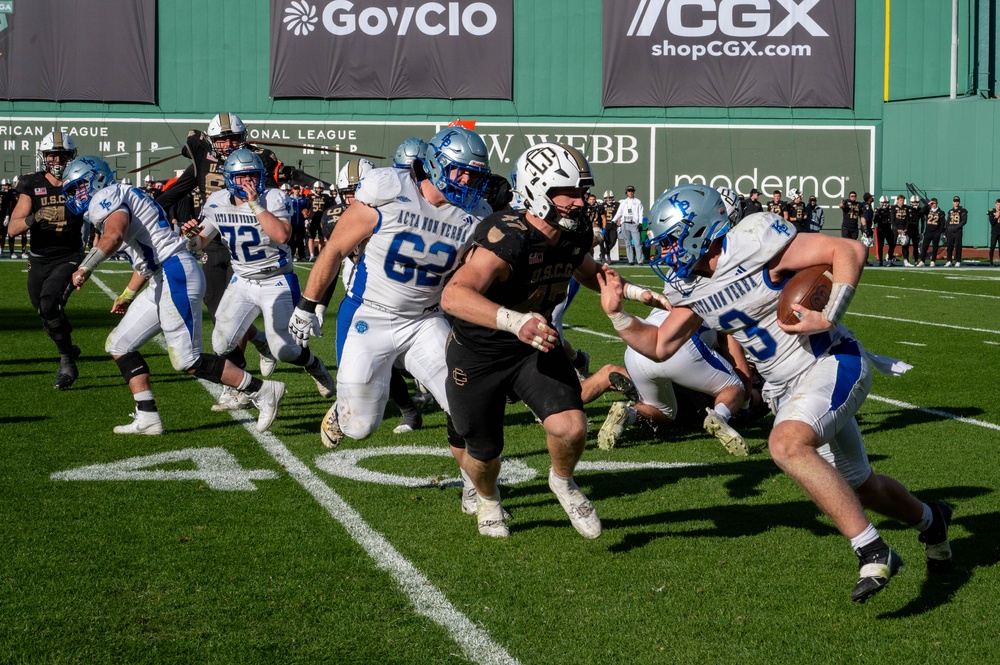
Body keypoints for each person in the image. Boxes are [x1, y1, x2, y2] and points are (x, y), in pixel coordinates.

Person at [598, 183, 953, 603]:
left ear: (701, 230)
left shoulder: (754, 243)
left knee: (785, 444)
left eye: (672, 242)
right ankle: (932, 522)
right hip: (787, 388)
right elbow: (659, 346)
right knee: (859, 486)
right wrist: (618, 315)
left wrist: (830, 313)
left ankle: (873, 551)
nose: (667, 254)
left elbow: (849, 251)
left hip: (831, 362)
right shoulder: (691, 286)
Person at [440, 142, 668, 539]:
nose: (581, 202)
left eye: (583, 191)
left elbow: (590, 272)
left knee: (572, 427)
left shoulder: (569, 235)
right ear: (537, 190)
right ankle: (489, 498)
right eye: (570, 193)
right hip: (480, 350)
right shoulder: (507, 236)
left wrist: (635, 294)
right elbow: (453, 295)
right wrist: (514, 321)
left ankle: (562, 482)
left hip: (533, 345)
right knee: (483, 453)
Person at [289, 127, 493, 494]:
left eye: (473, 174)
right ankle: (344, 409)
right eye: (459, 170)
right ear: (434, 164)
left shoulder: (476, 215)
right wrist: (308, 304)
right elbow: (334, 249)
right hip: (374, 315)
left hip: (426, 320)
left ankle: (475, 490)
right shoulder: (389, 188)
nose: (467, 181)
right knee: (361, 427)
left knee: (466, 407)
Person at [61, 156, 286, 434]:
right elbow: (148, 257)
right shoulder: (121, 193)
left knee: (187, 360)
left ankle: (262, 390)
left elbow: (115, 235)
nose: (77, 195)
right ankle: (148, 417)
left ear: (97, 179)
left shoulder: (106, 196)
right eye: (73, 191)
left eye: (79, 187)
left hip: (175, 272)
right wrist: (129, 294)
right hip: (163, 274)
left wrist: (86, 266)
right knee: (119, 344)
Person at [181, 149, 336, 409]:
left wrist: (255, 205)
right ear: (229, 179)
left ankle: (314, 365)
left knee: (285, 351)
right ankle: (248, 388)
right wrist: (189, 237)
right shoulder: (218, 201)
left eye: (253, 176)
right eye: (242, 178)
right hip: (242, 280)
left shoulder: (272, 197)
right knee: (220, 344)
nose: (249, 183)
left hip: (276, 279)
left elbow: (283, 235)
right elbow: (199, 242)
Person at [154, 112, 279, 376]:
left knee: (233, 316)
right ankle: (262, 343)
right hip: (209, 238)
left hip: (245, 242)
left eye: (233, 138)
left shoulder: (258, 160)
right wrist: (146, 212)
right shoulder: (203, 160)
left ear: (243, 138)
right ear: (212, 142)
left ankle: (238, 379)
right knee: (216, 309)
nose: (229, 145)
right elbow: (176, 191)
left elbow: (272, 189)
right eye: (222, 140)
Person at [598, 309, 750, 456]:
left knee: (664, 412)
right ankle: (719, 416)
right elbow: (743, 376)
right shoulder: (722, 308)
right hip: (678, 348)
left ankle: (629, 413)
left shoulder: (673, 293)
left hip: (637, 351)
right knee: (734, 387)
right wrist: (744, 408)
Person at [7, 132, 85, 388]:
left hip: (68, 256)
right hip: (39, 258)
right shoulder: (31, 183)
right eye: (52, 155)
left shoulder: (80, 180)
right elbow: (13, 229)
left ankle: (66, 362)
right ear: (44, 157)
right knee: (42, 310)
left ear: (70, 157)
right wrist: (36, 217)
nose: (57, 160)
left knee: (50, 305)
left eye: (62, 155)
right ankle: (68, 348)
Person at [612, 185, 644, 265]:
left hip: (634, 224)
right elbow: (619, 212)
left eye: (632, 191)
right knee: (628, 243)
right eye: (629, 191)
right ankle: (630, 260)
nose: (630, 192)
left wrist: (640, 223)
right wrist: (613, 220)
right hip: (625, 223)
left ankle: (640, 260)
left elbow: (641, 213)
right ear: (626, 192)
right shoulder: (623, 202)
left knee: (637, 243)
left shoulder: (638, 201)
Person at [307, 181, 334, 261]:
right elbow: (306, 208)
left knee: (321, 238)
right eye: (318, 188)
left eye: (320, 188)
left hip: (322, 219)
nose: (319, 190)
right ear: (314, 188)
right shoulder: (310, 196)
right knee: (311, 237)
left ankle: (320, 255)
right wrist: (307, 218)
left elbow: (328, 209)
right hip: (313, 219)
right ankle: (312, 255)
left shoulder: (326, 197)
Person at [916, 197, 945, 267]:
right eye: (932, 203)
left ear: (937, 203)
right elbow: (921, 211)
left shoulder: (941, 212)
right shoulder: (928, 210)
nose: (933, 205)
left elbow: (942, 223)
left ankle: (933, 261)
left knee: (935, 247)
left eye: (934, 203)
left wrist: (939, 232)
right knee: (925, 247)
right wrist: (927, 205)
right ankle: (922, 260)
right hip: (928, 231)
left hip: (936, 232)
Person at [944, 196, 967, 267]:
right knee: (949, 246)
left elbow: (964, 221)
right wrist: (946, 232)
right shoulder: (950, 211)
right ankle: (949, 260)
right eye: (955, 201)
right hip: (950, 231)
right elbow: (947, 222)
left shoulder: (962, 210)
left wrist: (957, 227)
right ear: (952, 202)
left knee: (958, 246)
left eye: (957, 201)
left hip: (957, 231)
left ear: (959, 202)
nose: (956, 202)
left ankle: (958, 261)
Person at [873, 195, 893, 266]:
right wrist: (877, 214)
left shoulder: (890, 209)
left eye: (886, 202)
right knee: (880, 245)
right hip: (881, 229)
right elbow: (875, 221)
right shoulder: (878, 209)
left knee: (891, 244)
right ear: (880, 202)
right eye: (883, 202)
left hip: (888, 228)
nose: (884, 204)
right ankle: (880, 260)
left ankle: (890, 259)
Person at [601, 190, 619, 262]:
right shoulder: (601, 205)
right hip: (605, 225)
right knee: (605, 241)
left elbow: (620, 215)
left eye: (610, 197)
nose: (608, 199)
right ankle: (607, 256)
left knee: (613, 241)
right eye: (607, 198)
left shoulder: (617, 205)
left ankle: (604, 252)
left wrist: (619, 225)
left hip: (613, 225)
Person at [988, 199, 1000, 267]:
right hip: (994, 232)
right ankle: (991, 262)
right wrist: (996, 217)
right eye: (998, 204)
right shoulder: (992, 211)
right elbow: (992, 222)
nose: (999, 206)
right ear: (996, 204)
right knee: (992, 247)